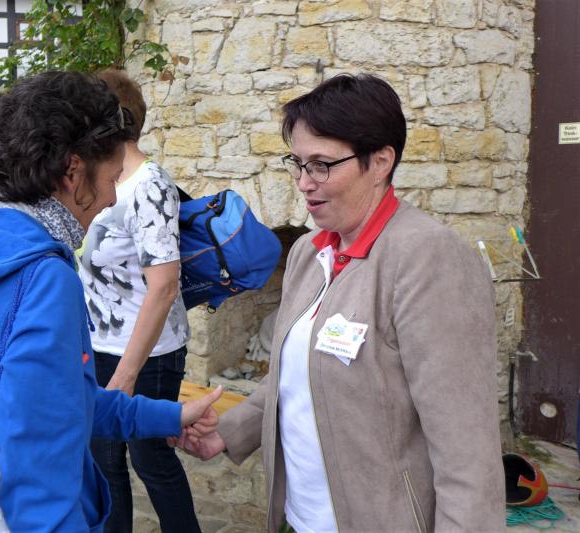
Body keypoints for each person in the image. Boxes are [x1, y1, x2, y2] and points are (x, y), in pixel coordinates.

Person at [0, 71, 220, 532]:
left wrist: (169, 415)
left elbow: (57, 399)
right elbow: (39, 473)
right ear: (73, 170)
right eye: (112, 178)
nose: (110, 198)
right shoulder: (43, 280)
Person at [177, 73, 506, 532]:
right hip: (299, 518)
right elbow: (293, 377)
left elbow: (465, 445)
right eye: (297, 163)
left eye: (322, 165)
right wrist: (227, 433)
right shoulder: (309, 253)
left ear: (381, 162)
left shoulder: (428, 258)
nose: (303, 182)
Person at [78, 68, 198, 533]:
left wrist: (127, 373)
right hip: (101, 348)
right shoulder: (99, 178)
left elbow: (164, 285)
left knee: (152, 462)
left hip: (148, 355)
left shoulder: (149, 185)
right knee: (104, 463)